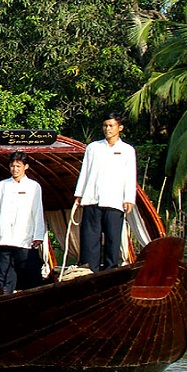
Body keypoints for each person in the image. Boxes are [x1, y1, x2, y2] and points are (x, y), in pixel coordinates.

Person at [74, 113, 137, 272]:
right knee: (90, 240)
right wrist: (79, 195)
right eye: (105, 126)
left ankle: (110, 271)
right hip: (92, 199)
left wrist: (129, 198)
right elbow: (85, 171)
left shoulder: (127, 150)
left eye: (111, 126)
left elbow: (130, 175)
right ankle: (89, 271)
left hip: (114, 201)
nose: (108, 129)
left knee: (112, 239)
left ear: (119, 128)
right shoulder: (93, 147)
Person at [0, 151, 46, 293]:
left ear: (26, 167)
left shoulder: (33, 186)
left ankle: (32, 297)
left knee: (28, 271)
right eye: (12, 166)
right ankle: (5, 297)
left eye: (18, 166)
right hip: (5, 237)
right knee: (3, 274)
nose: (15, 169)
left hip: (24, 238)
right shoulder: (2, 186)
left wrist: (38, 235)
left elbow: (37, 211)